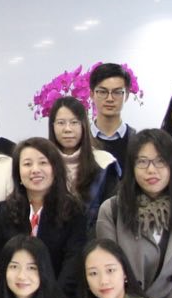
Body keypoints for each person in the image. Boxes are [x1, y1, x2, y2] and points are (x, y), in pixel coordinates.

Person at [94, 129, 172, 298]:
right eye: (142, 162)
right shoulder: (111, 210)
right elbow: (110, 270)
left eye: (160, 161)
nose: (151, 170)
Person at [0, 138, 88, 298]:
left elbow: (73, 263)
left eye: (43, 163)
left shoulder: (74, 211)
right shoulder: (4, 211)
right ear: (18, 173)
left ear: (55, 169)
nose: (35, 170)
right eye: (27, 164)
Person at [47, 95, 120, 231]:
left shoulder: (104, 163)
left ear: (84, 125)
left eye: (74, 122)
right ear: (52, 126)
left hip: (94, 238)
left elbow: (111, 214)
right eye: (61, 123)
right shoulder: (43, 164)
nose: (67, 129)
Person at [88, 63, 136, 163]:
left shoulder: (136, 140)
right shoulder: (82, 139)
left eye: (117, 92)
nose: (109, 99)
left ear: (126, 96)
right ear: (92, 95)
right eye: (102, 92)